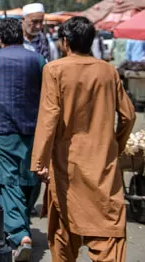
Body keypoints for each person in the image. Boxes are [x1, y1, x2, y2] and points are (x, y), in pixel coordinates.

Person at [32, 16, 136, 262]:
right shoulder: (108, 71)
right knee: (107, 233)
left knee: (63, 233)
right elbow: (129, 116)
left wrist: (39, 162)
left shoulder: (54, 70)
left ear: (65, 42)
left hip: (67, 165)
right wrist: (114, 145)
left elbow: (49, 118)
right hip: (103, 166)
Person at [0, 18, 45, 261]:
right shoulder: (37, 59)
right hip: (32, 127)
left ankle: (19, 234)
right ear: (20, 35)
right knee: (29, 177)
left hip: (0, 126)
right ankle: (22, 221)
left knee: (7, 182)